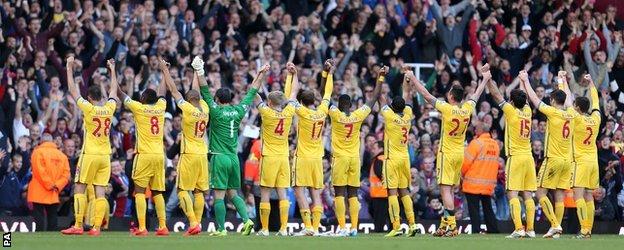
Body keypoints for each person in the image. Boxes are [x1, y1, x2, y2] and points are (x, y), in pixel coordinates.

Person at [412, 64, 489, 237]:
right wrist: (485, 79)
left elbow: (425, 95)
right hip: (459, 153)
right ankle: (445, 225)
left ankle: (452, 225)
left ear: (451, 96)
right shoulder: (467, 108)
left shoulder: (447, 108)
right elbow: (476, 94)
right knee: (450, 189)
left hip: (446, 153)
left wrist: (413, 78)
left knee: (445, 189)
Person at [196, 56, 259, 236]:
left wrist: (200, 70)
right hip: (234, 158)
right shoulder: (239, 110)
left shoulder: (215, 111)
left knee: (218, 196)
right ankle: (247, 221)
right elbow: (251, 93)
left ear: (217, 98)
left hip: (219, 156)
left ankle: (222, 229)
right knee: (233, 193)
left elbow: (204, 90)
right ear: (230, 99)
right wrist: (260, 74)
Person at [61, 57, 118, 236]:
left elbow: (72, 89)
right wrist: (113, 70)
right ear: (101, 97)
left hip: (90, 154)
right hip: (105, 156)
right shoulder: (109, 109)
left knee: (80, 186)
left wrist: (69, 67)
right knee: (100, 192)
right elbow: (114, 92)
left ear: (89, 98)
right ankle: (96, 227)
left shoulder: (89, 109)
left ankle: (78, 225)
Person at [115, 58, 169, 236]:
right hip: (159, 155)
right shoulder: (161, 107)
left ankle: (143, 227)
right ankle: (162, 227)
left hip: (144, 155)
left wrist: (112, 72)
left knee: (139, 191)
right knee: (158, 192)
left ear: (144, 98)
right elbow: (163, 92)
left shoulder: (139, 107)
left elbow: (121, 94)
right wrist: (164, 72)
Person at [330, 63, 383, 237]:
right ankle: (354, 227)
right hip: (354, 159)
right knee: (353, 193)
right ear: (351, 105)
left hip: (340, 158)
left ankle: (342, 227)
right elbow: (374, 98)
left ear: (339, 104)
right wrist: (380, 77)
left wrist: (326, 73)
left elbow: (324, 95)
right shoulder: (358, 115)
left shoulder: (335, 115)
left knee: (339, 192)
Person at [522, 70, 575, 238]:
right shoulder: (571, 113)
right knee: (559, 194)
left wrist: (526, 81)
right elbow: (569, 99)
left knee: (540, 193)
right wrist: (562, 80)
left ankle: (555, 224)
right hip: (567, 161)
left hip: (553, 159)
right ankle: (556, 232)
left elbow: (535, 101)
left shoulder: (553, 112)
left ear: (552, 101)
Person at [486, 70, 536, 238]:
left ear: (512, 102)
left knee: (513, 193)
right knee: (528, 194)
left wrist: (488, 78)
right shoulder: (528, 112)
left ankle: (519, 229)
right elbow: (525, 98)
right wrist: (523, 79)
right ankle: (530, 229)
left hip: (515, 158)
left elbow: (495, 94)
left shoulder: (511, 112)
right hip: (529, 158)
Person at [161, 58, 209, 236]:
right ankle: (198, 225)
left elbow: (173, 90)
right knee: (198, 191)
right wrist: (197, 69)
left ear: (188, 101)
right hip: (203, 154)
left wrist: (165, 71)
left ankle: (193, 222)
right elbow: (196, 92)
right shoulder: (205, 108)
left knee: (182, 190)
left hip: (189, 154)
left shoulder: (187, 110)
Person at [256, 63, 300, 236]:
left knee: (265, 192)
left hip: (269, 156)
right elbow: (295, 91)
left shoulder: (266, 112)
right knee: (283, 192)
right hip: (283, 157)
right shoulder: (288, 111)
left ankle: (265, 229)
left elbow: (253, 93)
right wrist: (294, 73)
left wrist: (261, 74)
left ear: (269, 102)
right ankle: (283, 228)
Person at [291, 59, 334, 236]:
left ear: (302, 102)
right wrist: (328, 73)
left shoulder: (301, 111)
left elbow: (291, 95)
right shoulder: (322, 111)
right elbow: (328, 93)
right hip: (318, 158)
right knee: (316, 193)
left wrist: (293, 75)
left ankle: (308, 226)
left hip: (302, 157)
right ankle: (315, 228)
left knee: (299, 191)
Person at [561, 73, 601, 238]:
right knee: (588, 196)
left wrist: (563, 82)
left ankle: (584, 230)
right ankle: (588, 229)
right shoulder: (596, 118)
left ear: (577, 108)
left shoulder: (576, 119)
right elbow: (596, 100)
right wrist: (591, 83)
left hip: (580, 162)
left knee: (578, 197)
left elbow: (567, 100)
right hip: (593, 162)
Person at [380, 66, 417, 237]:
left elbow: (380, 98)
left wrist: (381, 77)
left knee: (392, 193)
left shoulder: (389, 117)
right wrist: (406, 77)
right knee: (405, 192)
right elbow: (406, 94)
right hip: (404, 158)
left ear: (392, 107)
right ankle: (412, 224)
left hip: (391, 159)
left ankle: (396, 226)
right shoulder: (407, 114)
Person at [461, 120, 500, 234]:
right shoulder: (495, 145)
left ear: (480, 130)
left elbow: (465, 163)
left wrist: (462, 175)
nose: (474, 130)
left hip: (473, 183)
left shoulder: (476, 143)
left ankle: (476, 230)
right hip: (488, 184)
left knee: (474, 210)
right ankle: (493, 229)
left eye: (476, 128)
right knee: (488, 208)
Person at [27, 133, 70, 231]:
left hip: (38, 191)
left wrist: (49, 185)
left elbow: (39, 171)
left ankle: (39, 244)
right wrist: (57, 186)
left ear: (41, 141)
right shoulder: (62, 156)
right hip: (54, 192)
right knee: (52, 219)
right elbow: (66, 174)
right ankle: (53, 244)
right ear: (52, 141)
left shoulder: (37, 152)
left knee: (39, 220)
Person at [367, 141, 388, 233]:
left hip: (380, 194)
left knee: (379, 219)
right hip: (387, 193)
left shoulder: (379, 159)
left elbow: (381, 174)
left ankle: (378, 231)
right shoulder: (387, 158)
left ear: (381, 149)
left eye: (374, 148)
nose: (372, 150)